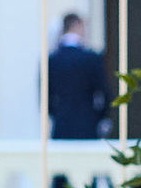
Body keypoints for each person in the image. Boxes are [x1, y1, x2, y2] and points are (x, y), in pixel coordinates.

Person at [46, 13, 111, 142]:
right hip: (87, 124)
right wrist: (100, 116)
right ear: (77, 26)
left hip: (61, 124)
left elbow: (45, 97)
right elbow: (104, 91)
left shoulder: (52, 60)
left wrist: (57, 113)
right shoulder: (91, 58)